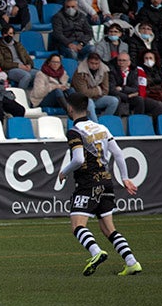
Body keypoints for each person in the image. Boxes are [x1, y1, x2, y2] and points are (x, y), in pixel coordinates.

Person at [59, 92, 143, 277]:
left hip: (88, 182)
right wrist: (125, 178)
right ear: (88, 108)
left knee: (77, 225)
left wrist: (64, 171)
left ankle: (96, 252)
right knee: (108, 228)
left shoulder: (75, 131)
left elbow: (79, 158)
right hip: (106, 181)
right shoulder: (102, 128)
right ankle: (131, 262)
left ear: (70, 108)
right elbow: (119, 154)